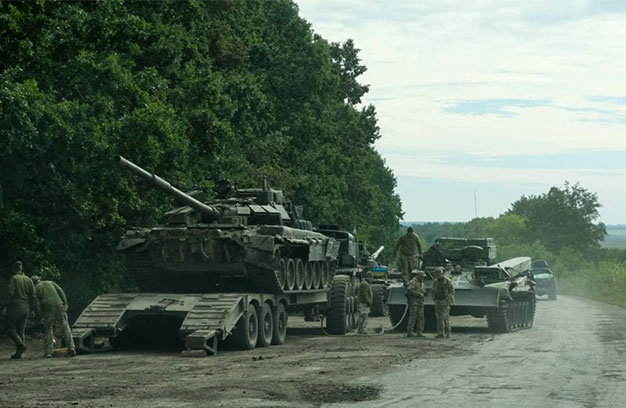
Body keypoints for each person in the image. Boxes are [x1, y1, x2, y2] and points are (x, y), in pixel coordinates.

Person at [31, 276, 76, 357]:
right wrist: (65, 303)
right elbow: (60, 291)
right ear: (39, 279)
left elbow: (37, 305)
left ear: (33, 283)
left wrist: (41, 315)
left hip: (48, 307)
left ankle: (49, 352)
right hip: (59, 304)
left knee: (48, 328)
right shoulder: (50, 282)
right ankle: (71, 347)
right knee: (65, 326)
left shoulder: (35, 289)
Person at [2, 261, 36, 359]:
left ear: (14, 269)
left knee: (9, 328)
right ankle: (19, 353)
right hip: (26, 307)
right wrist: (32, 309)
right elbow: (33, 295)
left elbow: (10, 294)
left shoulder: (14, 279)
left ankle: (21, 345)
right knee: (21, 330)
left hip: (16, 306)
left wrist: (5, 306)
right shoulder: (29, 280)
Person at [432, 267, 455, 338]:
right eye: (437, 274)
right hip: (438, 301)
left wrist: (448, 299)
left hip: (445, 301)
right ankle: (440, 333)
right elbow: (433, 291)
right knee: (439, 318)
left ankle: (448, 333)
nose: (438, 275)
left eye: (439, 274)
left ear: (442, 274)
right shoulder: (435, 282)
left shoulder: (447, 281)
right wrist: (434, 299)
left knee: (445, 317)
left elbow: (452, 291)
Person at [406, 270, 427, 338]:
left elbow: (423, 290)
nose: (423, 278)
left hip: (420, 303)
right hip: (414, 302)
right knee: (413, 317)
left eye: (423, 277)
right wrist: (419, 294)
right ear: (418, 276)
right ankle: (410, 331)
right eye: (422, 277)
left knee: (421, 317)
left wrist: (425, 292)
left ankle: (419, 331)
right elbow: (410, 291)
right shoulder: (413, 282)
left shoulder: (422, 283)